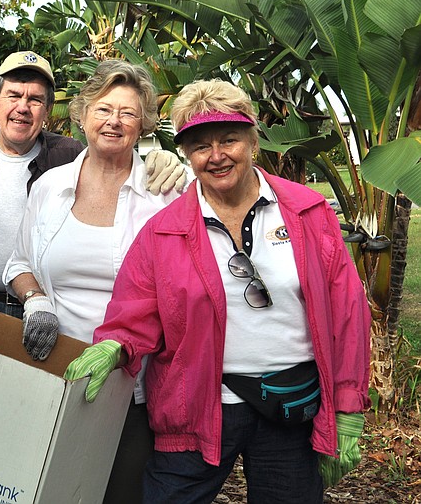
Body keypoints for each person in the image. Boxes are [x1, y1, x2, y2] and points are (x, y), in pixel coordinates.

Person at [65, 79, 371, 503]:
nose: (217, 156)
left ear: (252, 141)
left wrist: (347, 404)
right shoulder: (164, 230)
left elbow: (348, 312)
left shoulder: (308, 213)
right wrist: (114, 345)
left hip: (291, 405)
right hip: (197, 406)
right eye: (200, 146)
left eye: (229, 139)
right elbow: (136, 311)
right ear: (186, 154)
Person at [3, 59, 183, 503]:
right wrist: (35, 301)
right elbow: (17, 263)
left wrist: (182, 167)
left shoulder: (166, 193)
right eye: (104, 109)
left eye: (127, 112)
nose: (114, 121)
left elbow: (182, 292)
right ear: (81, 116)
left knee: (120, 495)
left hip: (132, 386)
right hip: (53, 371)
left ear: (143, 124)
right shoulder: (50, 186)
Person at [0, 50, 186, 318]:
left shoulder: (67, 155)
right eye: (13, 95)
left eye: (35, 99)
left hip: (122, 341)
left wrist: (164, 158)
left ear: (47, 109)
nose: (22, 107)